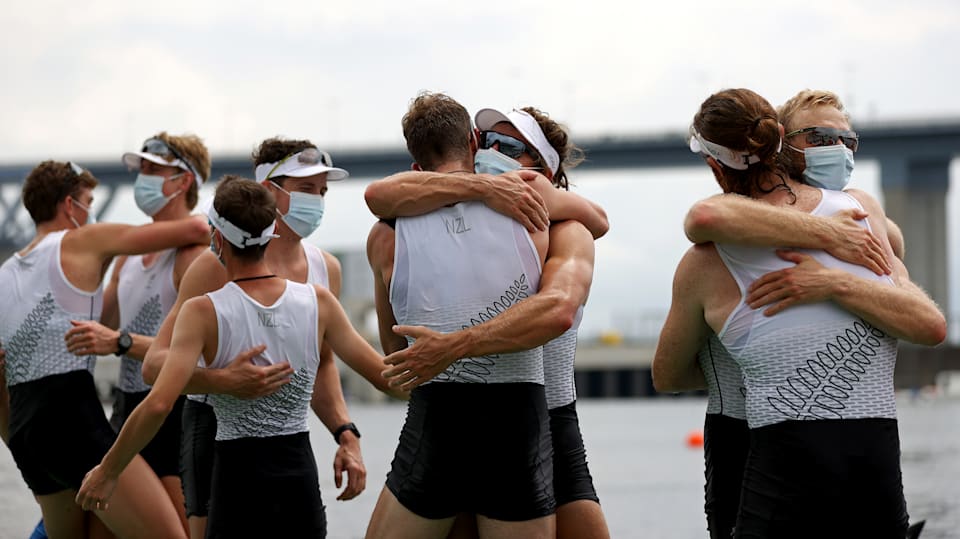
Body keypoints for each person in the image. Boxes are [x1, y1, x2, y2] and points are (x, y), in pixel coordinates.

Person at [652, 88, 945, 538]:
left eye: (847, 141)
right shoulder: (858, 216)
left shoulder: (705, 262)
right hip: (866, 477)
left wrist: (831, 283)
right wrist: (829, 236)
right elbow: (705, 217)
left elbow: (668, 376)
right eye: (822, 138)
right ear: (782, 143)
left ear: (714, 165)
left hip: (772, 467)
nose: (838, 150)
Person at [76, 176, 399, 537]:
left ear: (217, 238)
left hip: (236, 485)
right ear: (271, 231)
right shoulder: (318, 301)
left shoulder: (203, 312)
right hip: (299, 484)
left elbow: (158, 404)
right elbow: (388, 378)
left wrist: (108, 470)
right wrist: (446, 353)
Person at [369, 105, 611, 539]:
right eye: (490, 141)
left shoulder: (562, 225)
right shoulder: (451, 215)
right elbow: (380, 197)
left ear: (544, 168)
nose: (494, 152)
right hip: (483, 417)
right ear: (473, 146)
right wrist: (478, 187)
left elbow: (560, 304)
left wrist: (451, 346)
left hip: (548, 420)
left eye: (511, 146)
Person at [0, 160, 210, 538]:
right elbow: (197, 227)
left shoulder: (6, 274)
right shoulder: (81, 240)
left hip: (24, 432)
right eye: (89, 201)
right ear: (69, 206)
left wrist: (15, 441)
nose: (91, 211)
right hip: (71, 420)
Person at [60, 132, 211, 534]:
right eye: (140, 168)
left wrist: (120, 344)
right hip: (125, 410)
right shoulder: (126, 258)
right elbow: (100, 322)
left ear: (183, 181)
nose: (140, 177)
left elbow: (192, 354)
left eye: (151, 169)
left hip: (173, 414)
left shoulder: (193, 255)